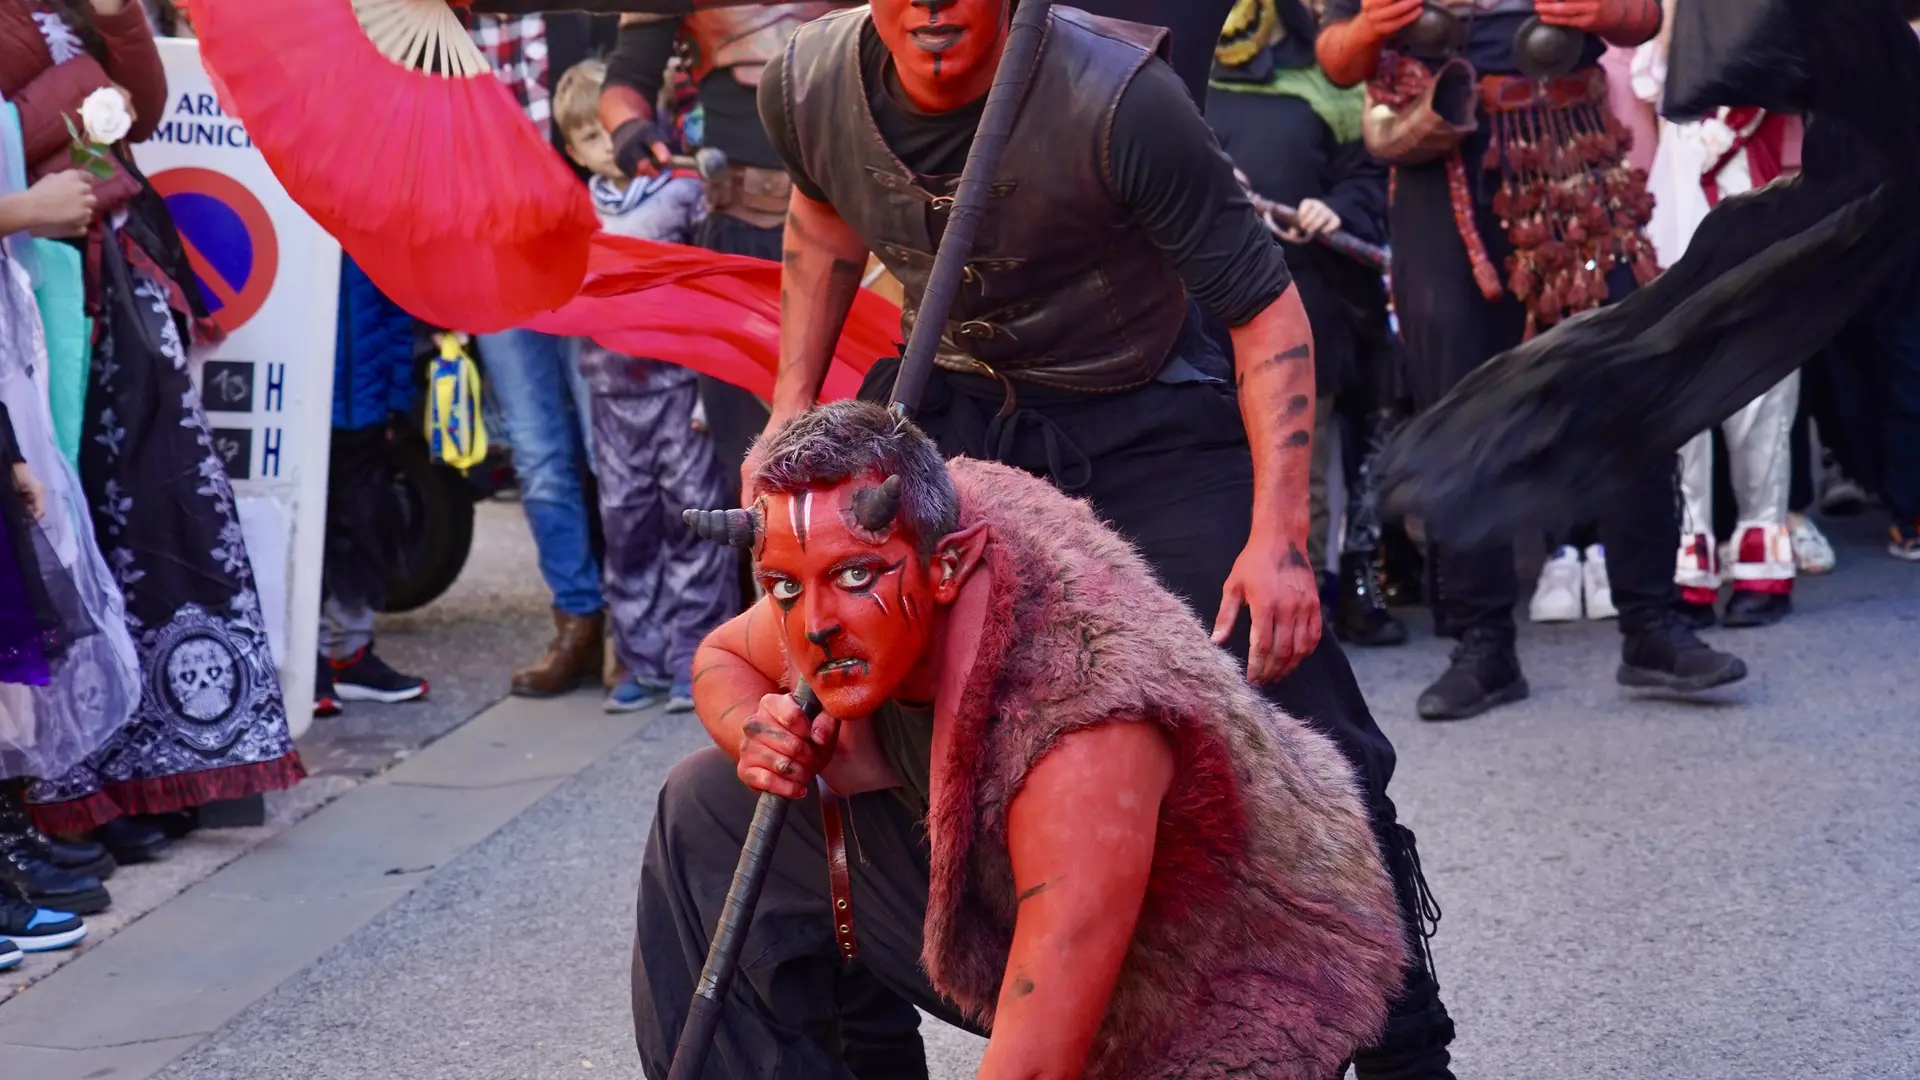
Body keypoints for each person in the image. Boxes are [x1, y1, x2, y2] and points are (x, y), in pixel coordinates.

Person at [749, 2, 1458, 1076]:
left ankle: (1409, 1049)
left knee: (1304, 708)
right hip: (958, 420)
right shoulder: (804, 84)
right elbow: (821, 227)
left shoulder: (1121, 97)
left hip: (1146, 424)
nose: (934, 7)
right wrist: (788, 419)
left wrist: (1278, 540)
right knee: (847, 707)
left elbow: (1266, 313)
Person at [638, 400, 1408, 1079]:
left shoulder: (1080, 724)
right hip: (1021, 914)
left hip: (1217, 992)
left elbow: (1035, 1067)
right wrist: (755, 734)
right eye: (783, 586)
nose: (812, 625)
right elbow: (726, 656)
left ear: (948, 566)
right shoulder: (878, 549)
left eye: (852, 578)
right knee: (706, 807)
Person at [1316, 0, 1749, 721]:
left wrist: (1609, 9)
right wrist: (1370, 29)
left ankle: (1652, 623)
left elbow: (1642, 19)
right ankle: (1482, 645)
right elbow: (1335, 56)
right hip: (1441, 154)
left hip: (1568, 147)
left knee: (1625, 379)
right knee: (1458, 401)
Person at [5, 0, 304, 860]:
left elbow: (142, 108)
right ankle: (57, 792)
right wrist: (79, 97)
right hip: (33, 279)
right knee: (54, 533)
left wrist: (117, 24)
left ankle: (143, 766)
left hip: (115, 271)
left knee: (149, 519)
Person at [1208, 0, 1408, 648]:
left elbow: (1369, 178)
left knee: (1303, 462)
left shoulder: (1330, 83)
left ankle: (1308, 603)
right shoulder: (1176, 84)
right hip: (1203, 315)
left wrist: (1337, 208)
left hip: (1306, 301)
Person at [598, 0, 856, 494]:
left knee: (869, 449)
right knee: (756, 456)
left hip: (863, 234)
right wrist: (630, 127)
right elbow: (624, 82)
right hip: (742, 238)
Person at [553, 59, 740, 713]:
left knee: (692, 518)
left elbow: (711, 290)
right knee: (626, 526)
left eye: (610, 131)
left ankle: (701, 656)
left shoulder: (682, 195)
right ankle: (640, 658)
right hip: (609, 394)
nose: (607, 148)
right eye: (588, 139)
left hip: (679, 385)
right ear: (573, 150)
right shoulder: (573, 214)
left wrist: (709, 393)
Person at [465, 8, 621, 699]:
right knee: (536, 452)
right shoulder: (433, 35)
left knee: (608, 442)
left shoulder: (578, 19)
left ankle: (637, 619)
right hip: (493, 262)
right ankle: (576, 620)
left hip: (586, 254)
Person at [1633, 33, 1807, 629]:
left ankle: (1762, 560)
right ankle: (1689, 564)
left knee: (1760, 382)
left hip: (1749, 185)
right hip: (1677, 190)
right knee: (1675, 380)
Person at [317, 255, 431, 715]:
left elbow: (395, 310)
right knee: (302, 534)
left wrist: (396, 398)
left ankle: (350, 653)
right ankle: (306, 660)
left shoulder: (363, 217)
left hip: (362, 407)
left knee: (362, 529)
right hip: (299, 404)